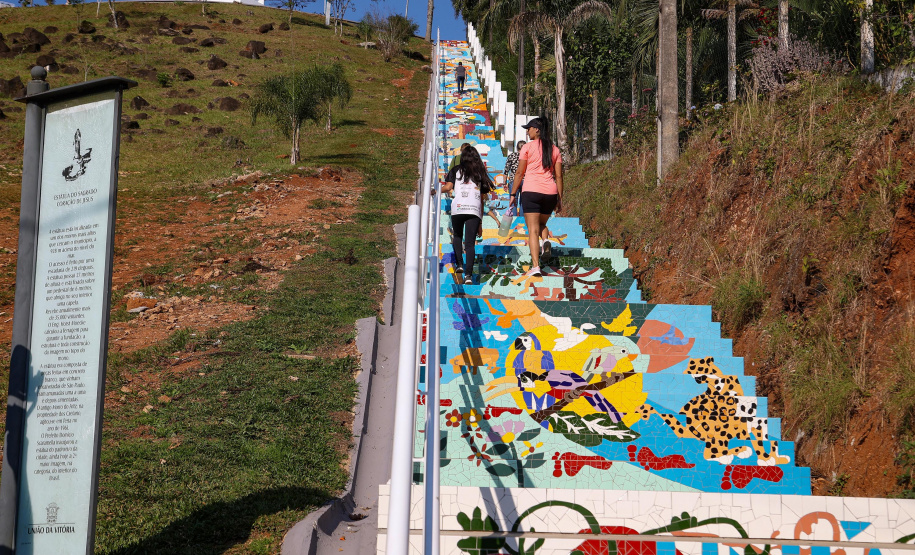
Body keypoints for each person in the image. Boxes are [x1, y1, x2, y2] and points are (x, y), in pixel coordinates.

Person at [510, 117, 562, 277]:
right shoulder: (555, 149)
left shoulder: (527, 147)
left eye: (529, 128)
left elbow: (519, 172)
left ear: (537, 129)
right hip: (550, 193)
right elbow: (559, 176)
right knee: (540, 225)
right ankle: (545, 241)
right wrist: (559, 199)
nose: (527, 131)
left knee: (532, 230)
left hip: (531, 191)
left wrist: (513, 194)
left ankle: (536, 266)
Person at [440, 147, 494, 285]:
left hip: (458, 208)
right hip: (474, 210)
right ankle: (468, 275)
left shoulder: (456, 170)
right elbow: (482, 200)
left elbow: (447, 187)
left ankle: (459, 265)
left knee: (457, 236)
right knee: (470, 244)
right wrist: (480, 223)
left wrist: (434, 191)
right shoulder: (479, 173)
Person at [503, 140, 526, 215]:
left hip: (514, 181)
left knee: (513, 202)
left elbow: (506, 171)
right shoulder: (527, 157)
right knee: (523, 203)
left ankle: (514, 222)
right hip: (525, 181)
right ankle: (523, 222)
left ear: (517, 147)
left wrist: (504, 183)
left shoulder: (511, 156)